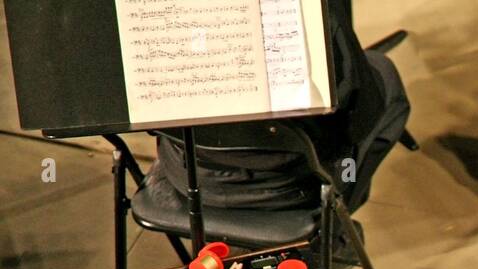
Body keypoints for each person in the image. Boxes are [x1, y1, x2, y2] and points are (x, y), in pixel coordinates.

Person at [151, 0, 410, 212]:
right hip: (291, 189)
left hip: (185, 175)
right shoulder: (311, 15)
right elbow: (357, 122)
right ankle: (337, 215)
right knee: (383, 75)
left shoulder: (152, 17)